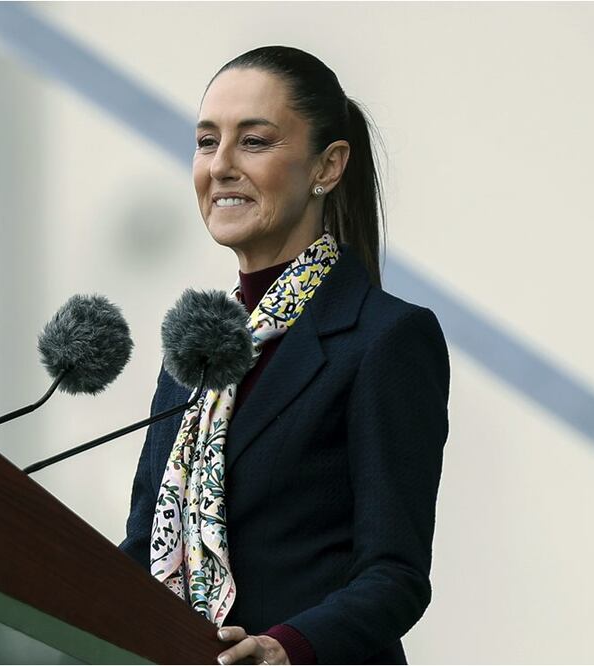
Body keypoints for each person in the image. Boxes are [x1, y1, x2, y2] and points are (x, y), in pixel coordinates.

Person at [118, 46, 451, 665]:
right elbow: (142, 549)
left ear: (328, 166)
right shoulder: (196, 349)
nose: (220, 166)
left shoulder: (386, 338)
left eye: (254, 142)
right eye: (207, 141)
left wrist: (288, 647)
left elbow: (396, 574)